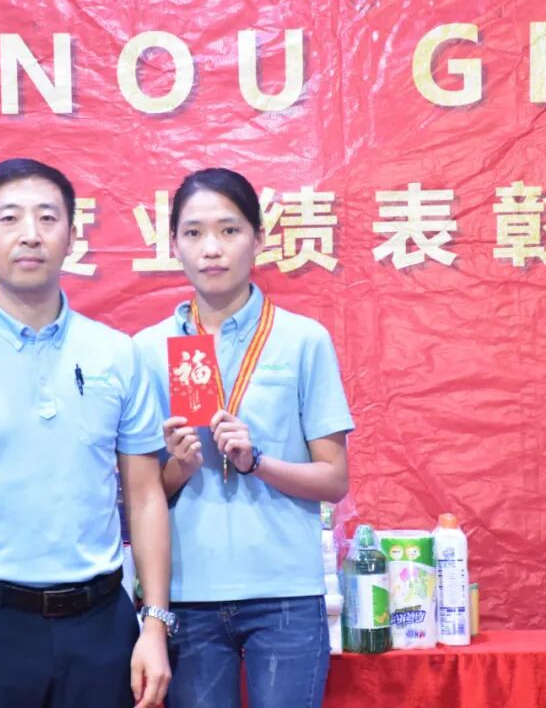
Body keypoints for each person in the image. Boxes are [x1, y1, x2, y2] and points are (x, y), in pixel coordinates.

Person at [0, 158, 174, 708]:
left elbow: (144, 497)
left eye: (47, 217)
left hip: (101, 626)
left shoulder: (117, 354)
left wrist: (155, 625)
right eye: (10, 218)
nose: (30, 234)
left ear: (73, 236)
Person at [133, 168, 354, 708]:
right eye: (194, 233)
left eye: (229, 230)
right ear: (174, 245)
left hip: (285, 596)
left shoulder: (302, 340)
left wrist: (258, 462)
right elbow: (138, 496)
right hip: (187, 595)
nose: (211, 248)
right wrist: (180, 468)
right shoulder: (146, 350)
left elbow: (334, 479)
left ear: (258, 238)